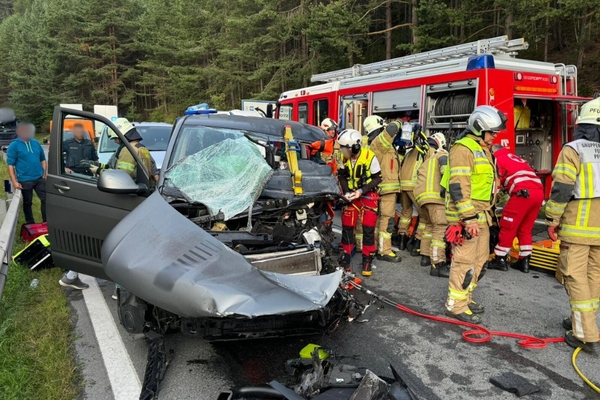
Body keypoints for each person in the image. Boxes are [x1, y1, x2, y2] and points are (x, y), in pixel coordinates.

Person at [545, 98, 600, 352]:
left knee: (575, 276)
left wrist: (552, 219)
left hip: (579, 226)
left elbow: (562, 189)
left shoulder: (573, 149)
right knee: (594, 276)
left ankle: (584, 334)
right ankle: (582, 320)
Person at [441, 105, 505, 323]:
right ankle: (455, 305)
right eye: (492, 132)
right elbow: (459, 185)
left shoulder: (483, 149)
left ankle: (466, 298)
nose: (495, 136)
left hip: (483, 215)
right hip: (466, 216)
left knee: (479, 261)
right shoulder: (463, 149)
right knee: (464, 261)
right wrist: (468, 219)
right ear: (479, 128)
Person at [488, 144, 544, 273]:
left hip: (522, 194)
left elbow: (496, 183)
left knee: (508, 225)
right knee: (525, 228)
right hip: (538, 193)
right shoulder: (513, 157)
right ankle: (524, 261)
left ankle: (500, 259)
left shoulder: (497, 159)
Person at [337, 129, 382, 276]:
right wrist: (347, 192)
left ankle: (367, 260)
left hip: (367, 196)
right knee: (347, 228)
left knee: (368, 229)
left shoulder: (370, 157)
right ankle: (346, 260)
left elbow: (377, 178)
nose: (342, 152)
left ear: (354, 147)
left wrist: (362, 191)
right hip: (352, 196)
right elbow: (342, 175)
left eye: (344, 148)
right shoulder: (344, 158)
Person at [363, 116, 402, 262]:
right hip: (386, 187)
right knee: (387, 219)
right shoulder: (378, 141)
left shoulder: (378, 143)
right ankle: (384, 251)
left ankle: (378, 247)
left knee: (380, 219)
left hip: (385, 187)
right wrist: (399, 122)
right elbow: (391, 129)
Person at [414, 132, 450, 277]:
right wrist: (446, 188)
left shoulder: (428, 160)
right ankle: (438, 264)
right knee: (439, 229)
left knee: (429, 226)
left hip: (422, 198)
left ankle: (425, 256)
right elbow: (445, 171)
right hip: (436, 198)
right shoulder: (443, 154)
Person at [91, 118, 156, 186]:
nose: (115, 142)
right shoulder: (141, 147)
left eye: (115, 138)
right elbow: (112, 166)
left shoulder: (127, 150)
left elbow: (121, 176)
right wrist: (98, 165)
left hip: (129, 192)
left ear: (121, 136)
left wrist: (98, 171)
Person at [397, 124, 428, 256]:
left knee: (406, 211)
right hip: (413, 186)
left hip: (402, 186)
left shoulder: (409, 152)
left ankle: (402, 240)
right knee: (424, 215)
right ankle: (417, 242)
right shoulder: (425, 152)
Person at [7, 123, 47, 225]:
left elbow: (43, 159)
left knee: (46, 199)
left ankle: (46, 222)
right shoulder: (14, 145)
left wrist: (44, 173)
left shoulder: (36, 143)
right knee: (27, 202)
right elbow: (10, 165)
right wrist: (14, 181)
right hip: (25, 179)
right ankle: (30, 223)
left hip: (39, 178)